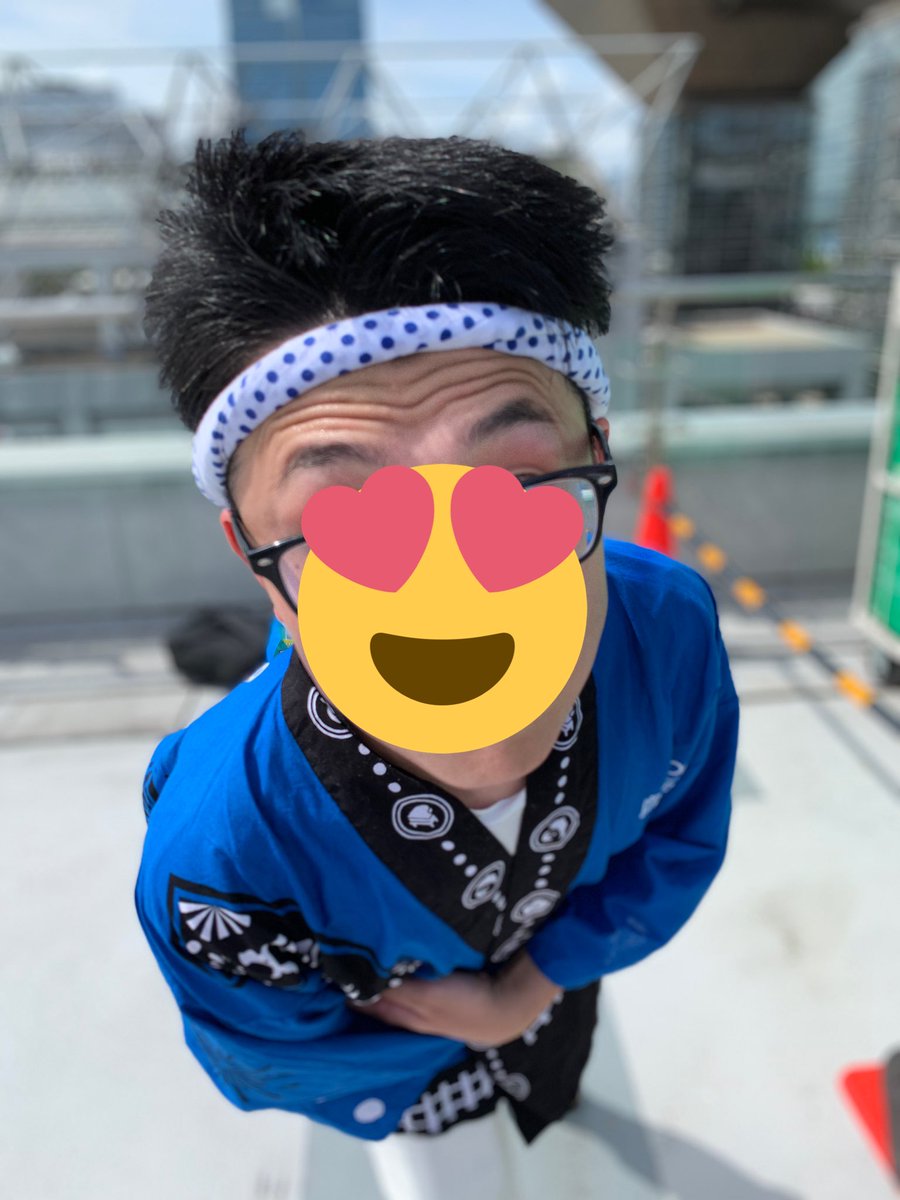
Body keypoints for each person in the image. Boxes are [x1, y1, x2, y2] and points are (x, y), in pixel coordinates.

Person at [134, 131, 740, 1200]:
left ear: (598, 459)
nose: (454, 590)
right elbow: (266, 1036)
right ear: (253, 556)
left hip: (556, 989)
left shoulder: (670, 631)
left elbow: (678, 840)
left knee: (553, 1085)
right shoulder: (218, 836)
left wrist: (532, 990)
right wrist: (438, 1049)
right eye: (349, 527)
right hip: (404, 1072)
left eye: (518, 492)